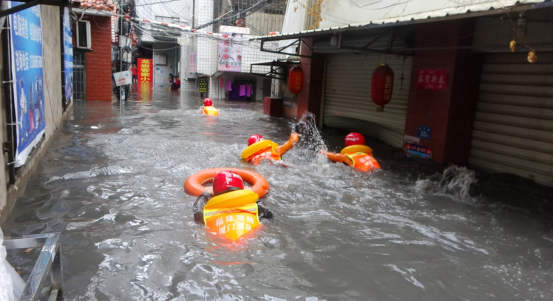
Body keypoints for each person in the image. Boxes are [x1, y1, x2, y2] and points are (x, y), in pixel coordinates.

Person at [193, 171, 273, 241]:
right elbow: (269, 213)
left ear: (214, 194)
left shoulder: (208, 212)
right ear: (242, 189)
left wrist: (205, 194)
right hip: (251, 240)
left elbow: (197, 211)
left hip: (219, 245)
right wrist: (252, 195)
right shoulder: (254, 208)